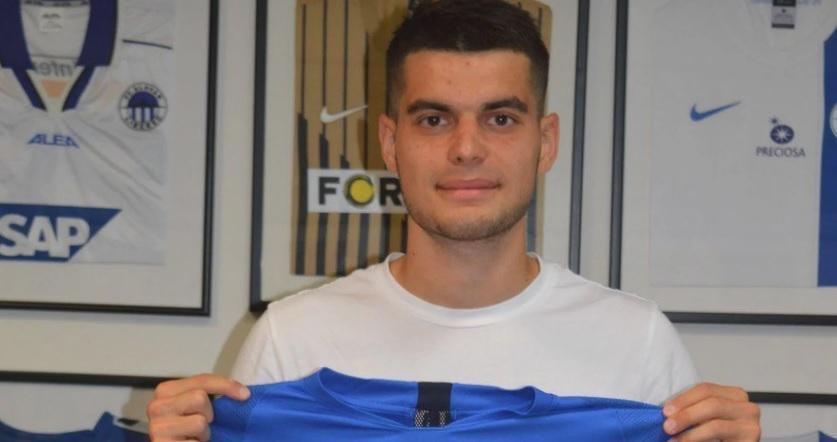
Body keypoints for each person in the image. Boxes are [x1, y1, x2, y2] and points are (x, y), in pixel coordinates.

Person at [146, 0, 761, 440]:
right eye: (434, 120)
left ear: (546, 142)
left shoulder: (637, 342)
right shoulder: (291, 339)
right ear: (391, 143)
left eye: (500, 119)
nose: (466, 149)